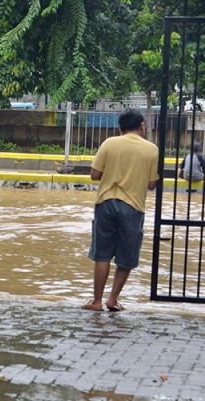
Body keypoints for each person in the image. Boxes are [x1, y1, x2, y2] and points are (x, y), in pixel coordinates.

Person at [82, 108, 159, 313]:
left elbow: (95, 175)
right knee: (126, 256)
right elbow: (152, 184)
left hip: (106, 202)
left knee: (102, 254)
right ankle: (112, 299)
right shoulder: (151, 150)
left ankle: (96, 301)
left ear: (120, 129)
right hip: (133, 206)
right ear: (142, 126)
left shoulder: (109, 143)